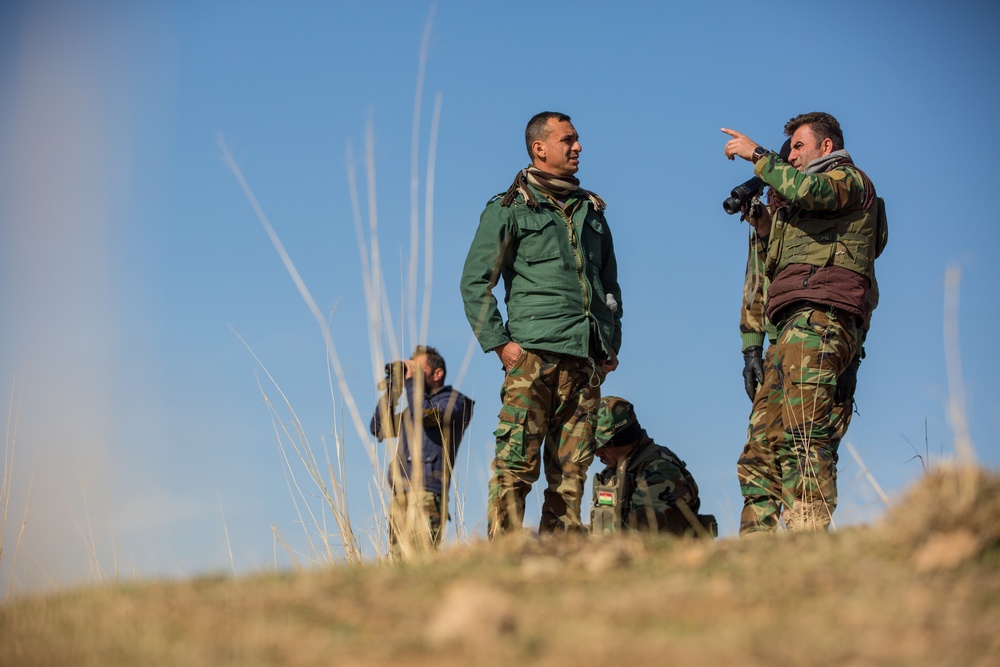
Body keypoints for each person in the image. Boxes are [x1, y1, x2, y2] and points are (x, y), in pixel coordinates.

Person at [460, 111, 623, 537]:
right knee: (516, 465)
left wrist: (609, 345)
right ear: (540, 148)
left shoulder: (591, 212)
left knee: (572, 475)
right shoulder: (508, 208)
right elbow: (475, 283)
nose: (578, 147)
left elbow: (610, 288)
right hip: (531, 357)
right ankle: (504, 558)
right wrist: (502, 346)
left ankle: (561, 563)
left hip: (584, 360)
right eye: (568, 140)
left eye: (577, 139)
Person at [722, 112, 887, 532]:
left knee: (804, 437)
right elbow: (760, 280)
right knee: (760, 449)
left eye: (798, 146)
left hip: (821, 323)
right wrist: (751, 347)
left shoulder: (850, 182)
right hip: (786, 335)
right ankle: (755, 551)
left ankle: (807, 539)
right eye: (788, 149)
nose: (791, 156)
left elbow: (811, 191)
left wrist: (757, 155)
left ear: (826, 146)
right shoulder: (790, 209)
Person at [370, 345, 474, 554]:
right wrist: (393, 391)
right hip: (401, 494)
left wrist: (411, 384)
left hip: (427, 492)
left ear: (438, 374)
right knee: (398, 562)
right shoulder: (412, 404)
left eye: (418, 370)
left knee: (421, 557)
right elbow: (378, 428)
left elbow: (424, 415)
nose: (412, 375)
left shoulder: (456, 402)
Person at [590, 396, 715, 537]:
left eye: (603, 446)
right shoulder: (612, 472)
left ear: (623, 439)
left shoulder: (660, 471)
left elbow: (640, 530)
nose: (597, 453)